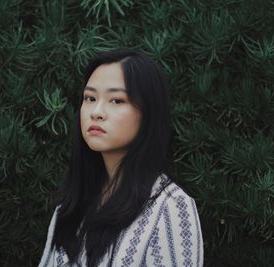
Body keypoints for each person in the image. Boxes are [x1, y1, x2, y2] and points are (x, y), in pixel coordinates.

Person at [38, 49, 203, 267]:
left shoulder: (170, 207)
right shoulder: (72, 204)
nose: (96, 112)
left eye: (116, 100)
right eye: (90, 98)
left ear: (148, 113)